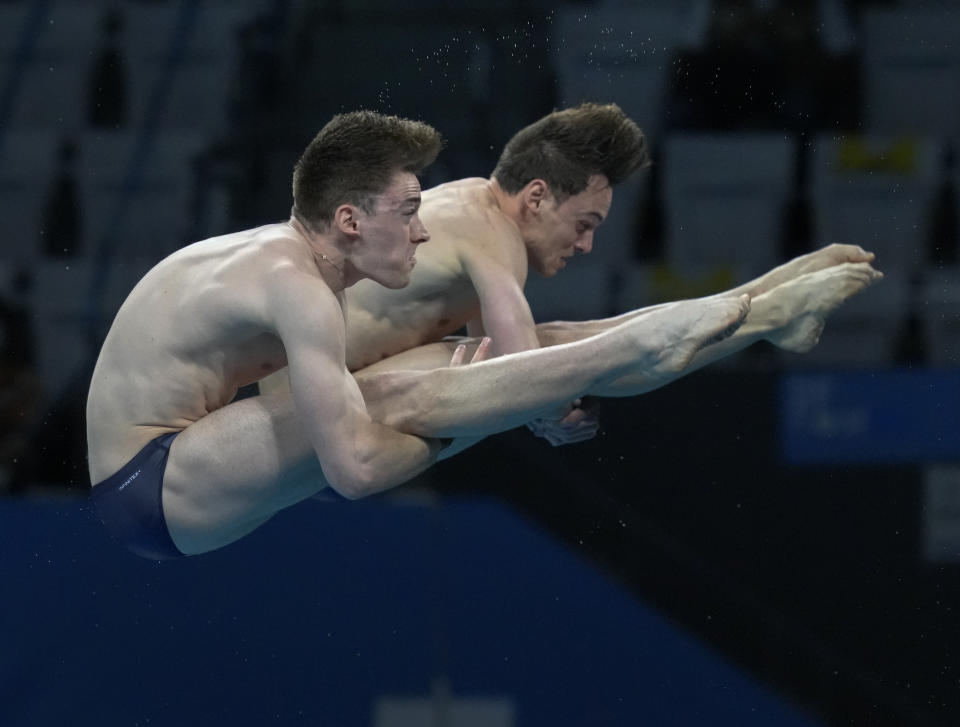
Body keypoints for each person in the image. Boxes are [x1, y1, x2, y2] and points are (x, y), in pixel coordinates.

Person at [87, 111, 768, 561]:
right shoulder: (297, 286)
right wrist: (477, 418)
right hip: (150, 487)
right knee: (403, 394)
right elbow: (352, 475)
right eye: (409, 212)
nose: (422, 230)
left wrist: (490, 398)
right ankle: (636, 344)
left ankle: (747, 312)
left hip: (187, 464)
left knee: (461, 370)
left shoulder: (294, 262)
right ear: (351, 220)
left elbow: (505, 364)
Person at [262, 103, 883, 444]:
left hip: (324, 393)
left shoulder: (469, 208)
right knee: (582, 350)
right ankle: (763, 312)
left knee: (571, 342)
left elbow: (502, 354)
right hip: (307, 410)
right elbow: (527, 369)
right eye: (583, 222)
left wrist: (543, 409)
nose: (586, 246)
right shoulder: (489, 232)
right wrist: (550, 416)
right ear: (535, 197)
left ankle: (760, 303)